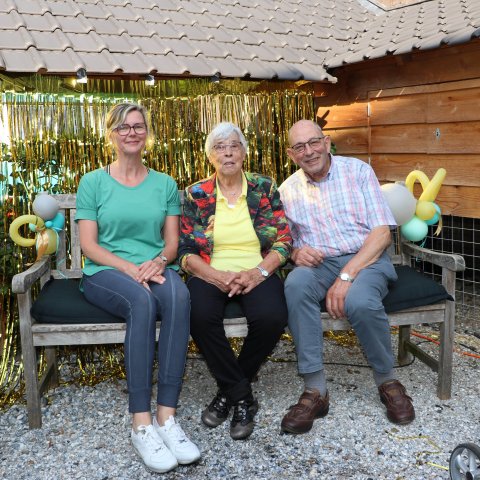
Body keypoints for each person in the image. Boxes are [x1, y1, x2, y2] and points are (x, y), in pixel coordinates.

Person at [75, 102, 200, 473]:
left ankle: (167, 417)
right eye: (123, 127)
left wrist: (158, 262)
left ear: (147, 133)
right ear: (111, 134)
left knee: (178, 295)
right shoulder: (92, 182)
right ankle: (141, 423)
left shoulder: (164, 184)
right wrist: (131, 269)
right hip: (106, 271)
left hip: (154, 267)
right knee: (141, 302)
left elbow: (172, 244)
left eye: (138, 126)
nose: (131, 132)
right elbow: (89, 246)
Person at [278, 119, 415, 434]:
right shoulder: (287, 191)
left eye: (314, 142)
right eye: (299, 147)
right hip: (320, 264)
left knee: (360, 301)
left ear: (326, 143)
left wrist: (347, 275)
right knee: (295, 284)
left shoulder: (358, 172)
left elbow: (382, 234)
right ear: (291, 154)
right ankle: (315, 390)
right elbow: (284, 242)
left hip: (365, 259)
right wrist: (296, 253)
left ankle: (387, 381)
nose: (309, 151)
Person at [178, 122, 292, 440]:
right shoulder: (196, 193)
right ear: (210, 156)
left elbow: (284, 241)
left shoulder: (263, 187)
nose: (228, 152)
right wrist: (216, 276)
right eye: (220, 146)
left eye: (234, 145)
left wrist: (257, 273)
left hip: (257, 270)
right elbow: (185, 251)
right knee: (198, 315)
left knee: (271, 317)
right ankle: (242, 396)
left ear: (244, 152)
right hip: (211, 272)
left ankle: (227, 393)